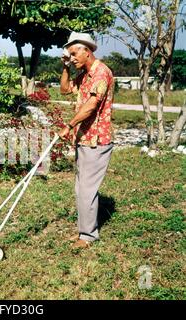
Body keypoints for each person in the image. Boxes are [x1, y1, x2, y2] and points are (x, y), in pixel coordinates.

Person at [58, 32, 114, 249]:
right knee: (81, 189)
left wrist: (69, 125)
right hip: (84, 139)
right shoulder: (83, 75)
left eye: (73, 54)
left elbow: (91, 106)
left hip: (97, 141)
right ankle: (84, 232)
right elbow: (64, 90)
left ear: (86, 51)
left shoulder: (101, 73)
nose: (72, 58)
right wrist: (65, 68)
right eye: (69, 55)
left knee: (87, 190)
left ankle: (88, 236)